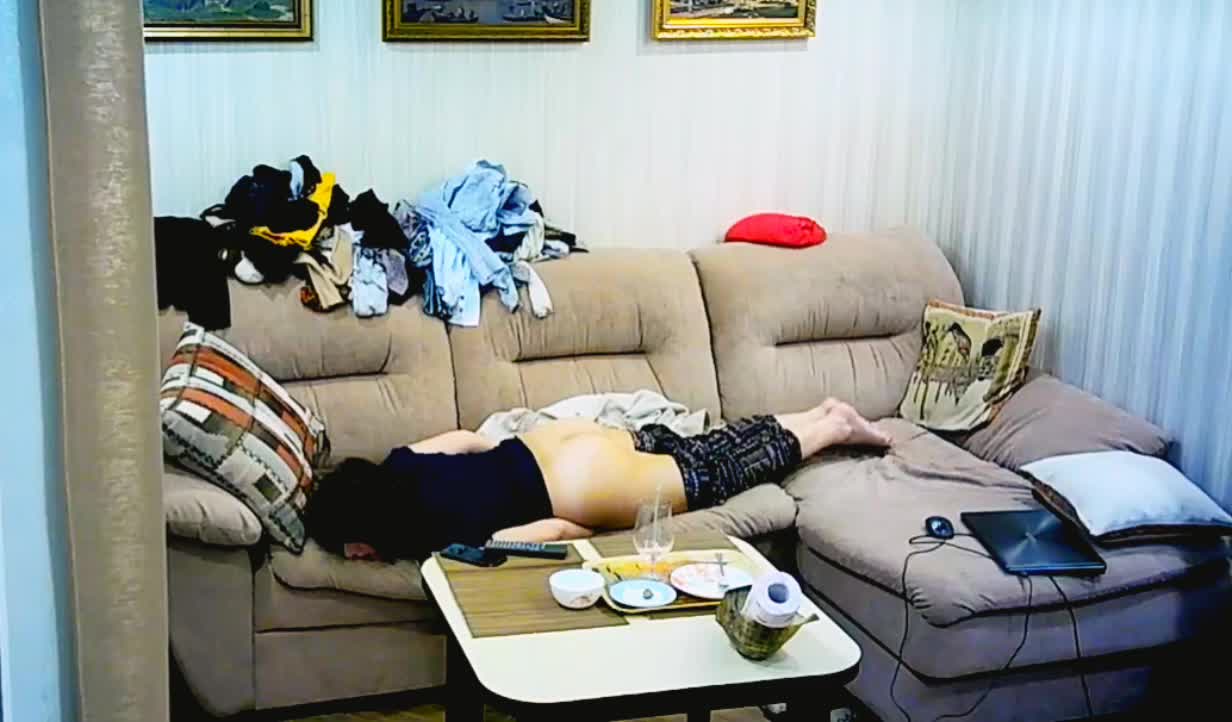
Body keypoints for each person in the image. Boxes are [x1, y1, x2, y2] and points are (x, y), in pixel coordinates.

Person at [305, 399, 890, 562]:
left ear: (360, 538)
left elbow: (555, 530)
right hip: (549, 442)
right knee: (705, 448)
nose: (355, 557)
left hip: (580, 482)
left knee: (714, 473)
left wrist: (594, 528)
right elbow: (463, 438)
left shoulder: (435, 542)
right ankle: (820, 414)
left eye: (350, 548)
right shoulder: (398, 463)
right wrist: (501, 457)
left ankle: (831, 428)